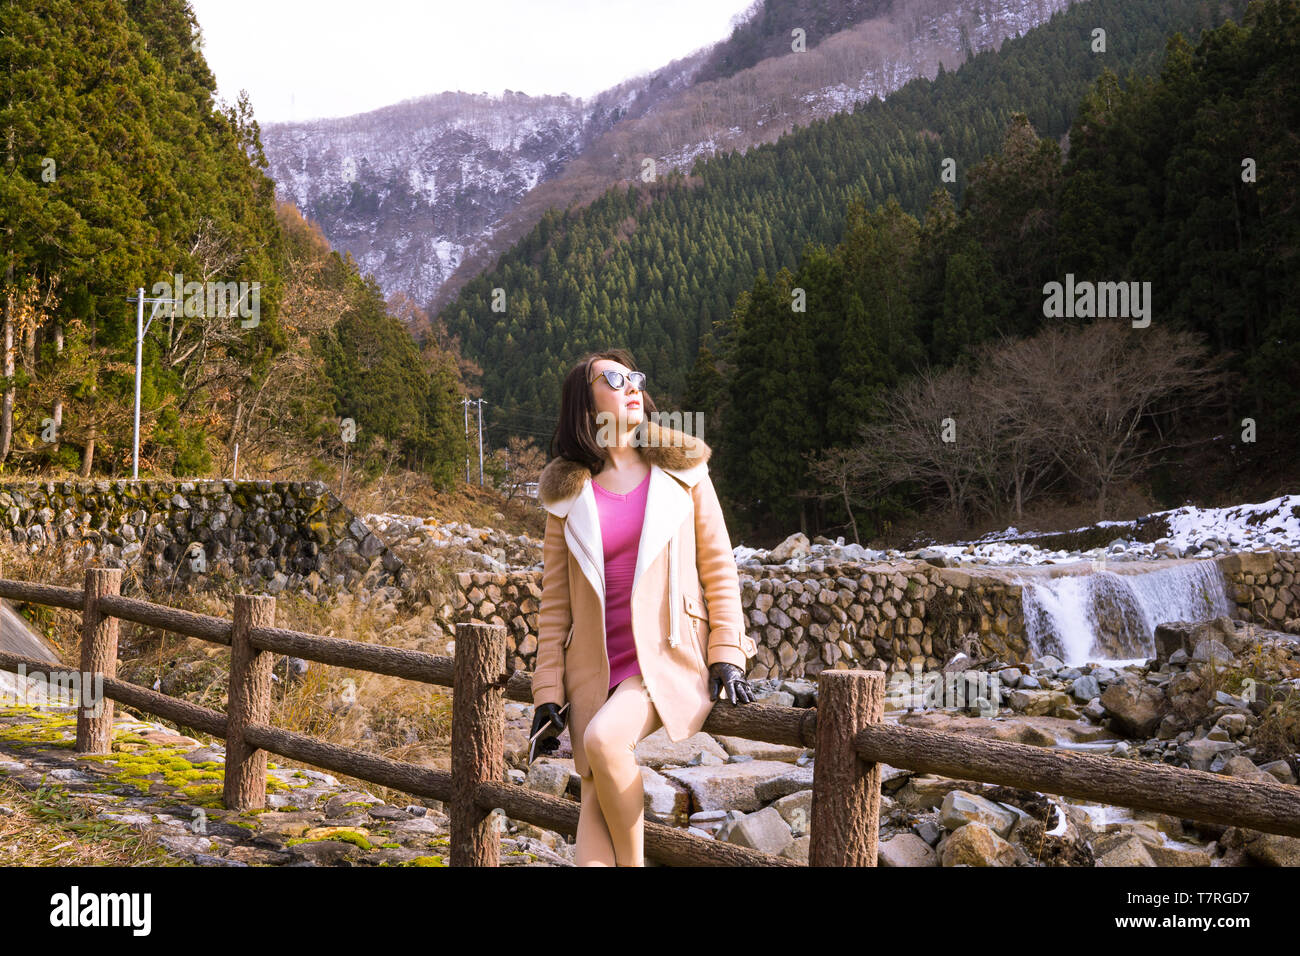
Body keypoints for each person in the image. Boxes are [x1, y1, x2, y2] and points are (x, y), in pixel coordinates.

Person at [529, 349, 757, 866]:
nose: (631, 384)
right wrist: (547, 692)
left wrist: (727, 651)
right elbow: (554, 606)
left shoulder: (684, 468)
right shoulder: (566, 494)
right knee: (591, 825)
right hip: (593, 671)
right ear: (584, 406)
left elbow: (719, 567)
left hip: (664, 658)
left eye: (634, 376)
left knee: (607, 742)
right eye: (613, 378)